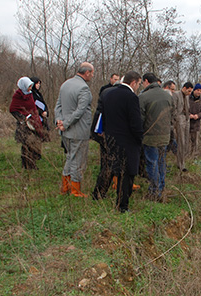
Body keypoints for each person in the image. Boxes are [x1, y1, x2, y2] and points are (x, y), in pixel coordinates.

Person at [99, 71, 144, 212]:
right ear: (134, 82)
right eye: (138, 84)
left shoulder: (108, 94)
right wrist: (139, 139)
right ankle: (122, 206)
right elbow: (135, 123)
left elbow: (103, 117)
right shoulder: (131, 97)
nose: (138, 87)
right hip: (128, 141)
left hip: (111, 139)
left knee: (112, 169)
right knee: (127, 174)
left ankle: (99, 194)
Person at [55, 62, 94, 198]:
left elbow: (58, 106)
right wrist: (65, 123)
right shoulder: (83, 88)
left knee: (70, 158)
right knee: (78, 160)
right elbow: (80, 111)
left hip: (65, 131)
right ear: (87, 72)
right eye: (92, 73)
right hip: (78, 131)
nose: (92, 76)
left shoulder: (65, 84)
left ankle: (65, 187)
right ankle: (75, 190)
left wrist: (59, 120)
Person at [139, 73, 174, 201]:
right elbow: (173, 115)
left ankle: (155, 191)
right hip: (165, 136)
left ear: (146, 81)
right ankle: (161, 186)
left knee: (152, 163)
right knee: (161, 161)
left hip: (150, 137)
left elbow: (140, 119)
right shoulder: (168, 95)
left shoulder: (143, 97)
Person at [9, 77, 44, 170]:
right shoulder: (18, 95)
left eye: (30, 86)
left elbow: (32, 107)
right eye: (28, 86)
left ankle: (32, 163)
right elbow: (13, 109)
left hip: (33, 122)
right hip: (24, 125)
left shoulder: (29, 94)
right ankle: (26, 164)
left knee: (34, 143)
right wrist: (23, 118)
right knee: (26, 144)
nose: (30, 88)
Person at [171, 82, 193, 171]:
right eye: (188, 91)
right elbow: (173, 109)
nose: (189, 93)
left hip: (186, 119)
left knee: (186, 142)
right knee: (181, 142)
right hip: (179, 119)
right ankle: (181, 164)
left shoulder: (187, 96)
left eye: (191, 91)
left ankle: (182, 161)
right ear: (184, 88)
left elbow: (187, 107)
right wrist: (177, 118)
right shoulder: (176, 95)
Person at [188, 83, 201, 153]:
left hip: (196, 124)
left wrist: (198, 115)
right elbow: (182, 109)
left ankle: (193, 156)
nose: (199, 92)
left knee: (195, 142)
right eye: (197, 90)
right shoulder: (187, 98)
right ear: (194, 90)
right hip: (186, 123)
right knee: (186, 142)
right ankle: (185, 157)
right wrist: (189, 115)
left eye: (200, 91)